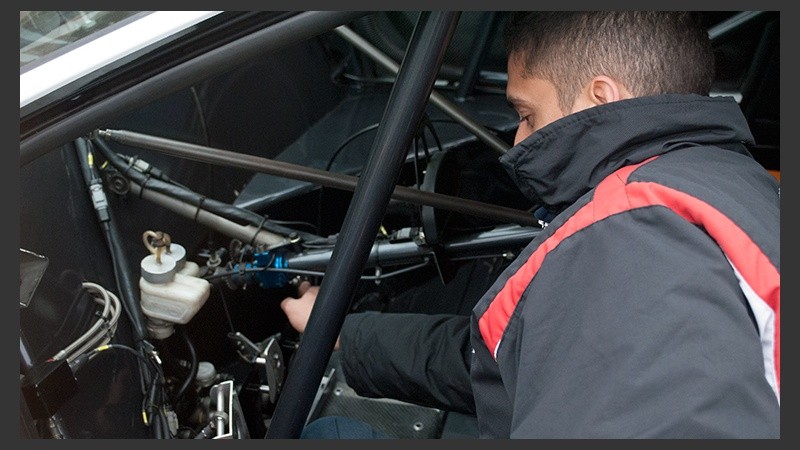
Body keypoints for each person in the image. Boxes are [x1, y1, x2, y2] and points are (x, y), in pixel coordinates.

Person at [280, 11, 780, 438]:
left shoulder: (633, 231)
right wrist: (346, 335)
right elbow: (510, 357)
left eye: (526, 114)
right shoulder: (721, 183)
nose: (518, 141)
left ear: (600, 98)